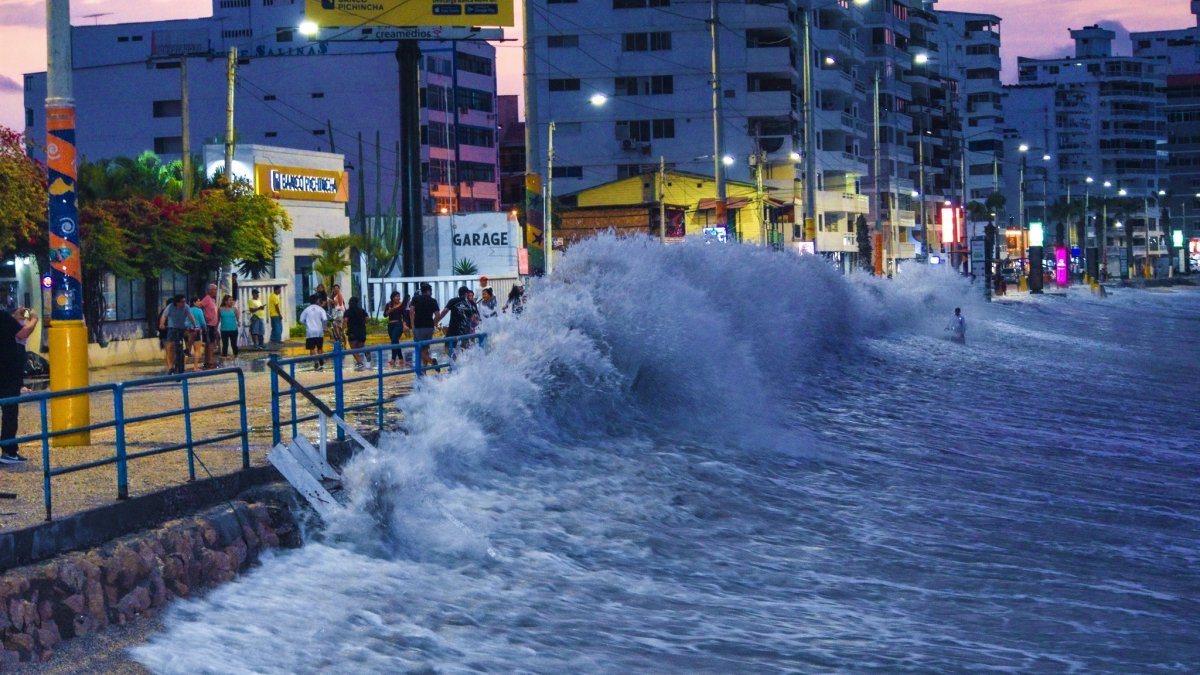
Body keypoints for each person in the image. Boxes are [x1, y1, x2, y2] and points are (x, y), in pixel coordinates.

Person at [1, 306, 38, 463]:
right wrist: (34, 319)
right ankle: (9, 451)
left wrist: (15, 318)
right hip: (7, 372)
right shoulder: (2, 315)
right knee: (10, 412)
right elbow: (22, 333)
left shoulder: (6, 317)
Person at [436, 286, 480, 360]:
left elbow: (445, 311)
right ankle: (463, 363)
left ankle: (454, 361)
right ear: (466, 294)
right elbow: (477, 318)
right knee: (465, 350)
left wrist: (437, 321)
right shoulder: (471, 303)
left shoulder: (453, 301)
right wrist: (473, 323)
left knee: (447, 348)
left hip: (453, 330)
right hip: (466, 331)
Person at [160, 295, 197, 374]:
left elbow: (191, 316)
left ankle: (187, 349)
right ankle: (171, 367)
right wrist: (162, 324)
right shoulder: (170, 307)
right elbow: (164, 316)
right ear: (177, 302)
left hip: (183, 328)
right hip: (172, 328)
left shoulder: (186, 307)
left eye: (184, 301)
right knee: (170, 346)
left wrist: (195, 326)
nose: (184, 303)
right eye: (182, 302)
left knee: (193, 334)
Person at [408, 282, 440, 367]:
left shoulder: (416, 299)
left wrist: (412, 324)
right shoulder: (433, 300)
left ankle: (431, 361)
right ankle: (424, 370)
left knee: (419, 349)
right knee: (425, 349)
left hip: (419, 326)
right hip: (429, 327)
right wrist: (434, 323)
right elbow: (438, 315)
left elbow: (411, 311)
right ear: (428, 291)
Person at [300, 294, 328, 370]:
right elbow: (324, 319)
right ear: (316, 300)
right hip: (319, 331)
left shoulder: (306, 310)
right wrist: (324, 328)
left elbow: (301, 320)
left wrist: (307, 324)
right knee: (320, 347)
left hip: (310, 332)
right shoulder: (320, 309)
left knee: (312, 348)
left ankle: (315, 362)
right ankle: (321, 360)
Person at [384, 291, 410, 368]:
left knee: (394, 340)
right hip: (390, 325)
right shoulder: (389, 305)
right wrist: (390, 310)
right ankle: (401, 358)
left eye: (399, 296)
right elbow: (385, 315)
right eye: (396, 296)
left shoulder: (401, 305)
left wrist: (404, 325)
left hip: (398, 324)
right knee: (395, 341)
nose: (398, 298)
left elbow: (404, 316)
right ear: (392, 297)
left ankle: (393, 359)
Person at [343, 296, 370, 369]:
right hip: (362, 331)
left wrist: (343, 329)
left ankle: (360, 362)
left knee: (354, 350)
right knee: (360, 347)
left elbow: (345, 321)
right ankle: (366, 351)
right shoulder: (362, 310)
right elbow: (367, 318)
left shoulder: (347, 312)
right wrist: (363, 323)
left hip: (352, 332)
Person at [198, 283, 220, 369]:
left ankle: (208, 361)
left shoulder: (213, 300)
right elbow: (199, 305)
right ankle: (210, 362)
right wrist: (204, 317)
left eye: (216, 289)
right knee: (210, 344)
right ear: (210, 290)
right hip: (208, 325)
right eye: (214, 289)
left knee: (211, 343)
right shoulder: (207, 298)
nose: (215, 291)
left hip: (213, 325)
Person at [218, 294, 240, 359]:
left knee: (234, 344)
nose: (231, 301)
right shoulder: (220, 309)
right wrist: (215, 329)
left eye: (232, 300)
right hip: (224, 330)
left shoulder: (234, 309)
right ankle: (224, 357)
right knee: (225, 345)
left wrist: (238, 322)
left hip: (234, 329)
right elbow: (218, 319)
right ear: (225, 301)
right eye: (230, 300)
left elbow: (238, 318)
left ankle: (236, 356)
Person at [189, 296, 206, 371]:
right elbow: (203, 322)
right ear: (194, 303)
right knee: (197, 350)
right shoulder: (199, 310)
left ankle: (181, 366)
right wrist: (205, 329)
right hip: (196, 331)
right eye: (198, 301)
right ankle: (195, 367)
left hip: (187, 331)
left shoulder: (188, 310)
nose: (200, 302)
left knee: (187, 350)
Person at [328, 284, 347, 348]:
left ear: (339, 289)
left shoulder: (339, 294)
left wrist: (332, 301)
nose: (336, 289)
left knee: (341, 329)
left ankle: (344, 343)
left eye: (337, 288)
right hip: (336, 313)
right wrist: (331, 302)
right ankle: (340, 340)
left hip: (340, 313)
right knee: (335, 327)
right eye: (334, 288)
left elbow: (340, 304)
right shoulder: (333, 296)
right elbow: (332, 306)